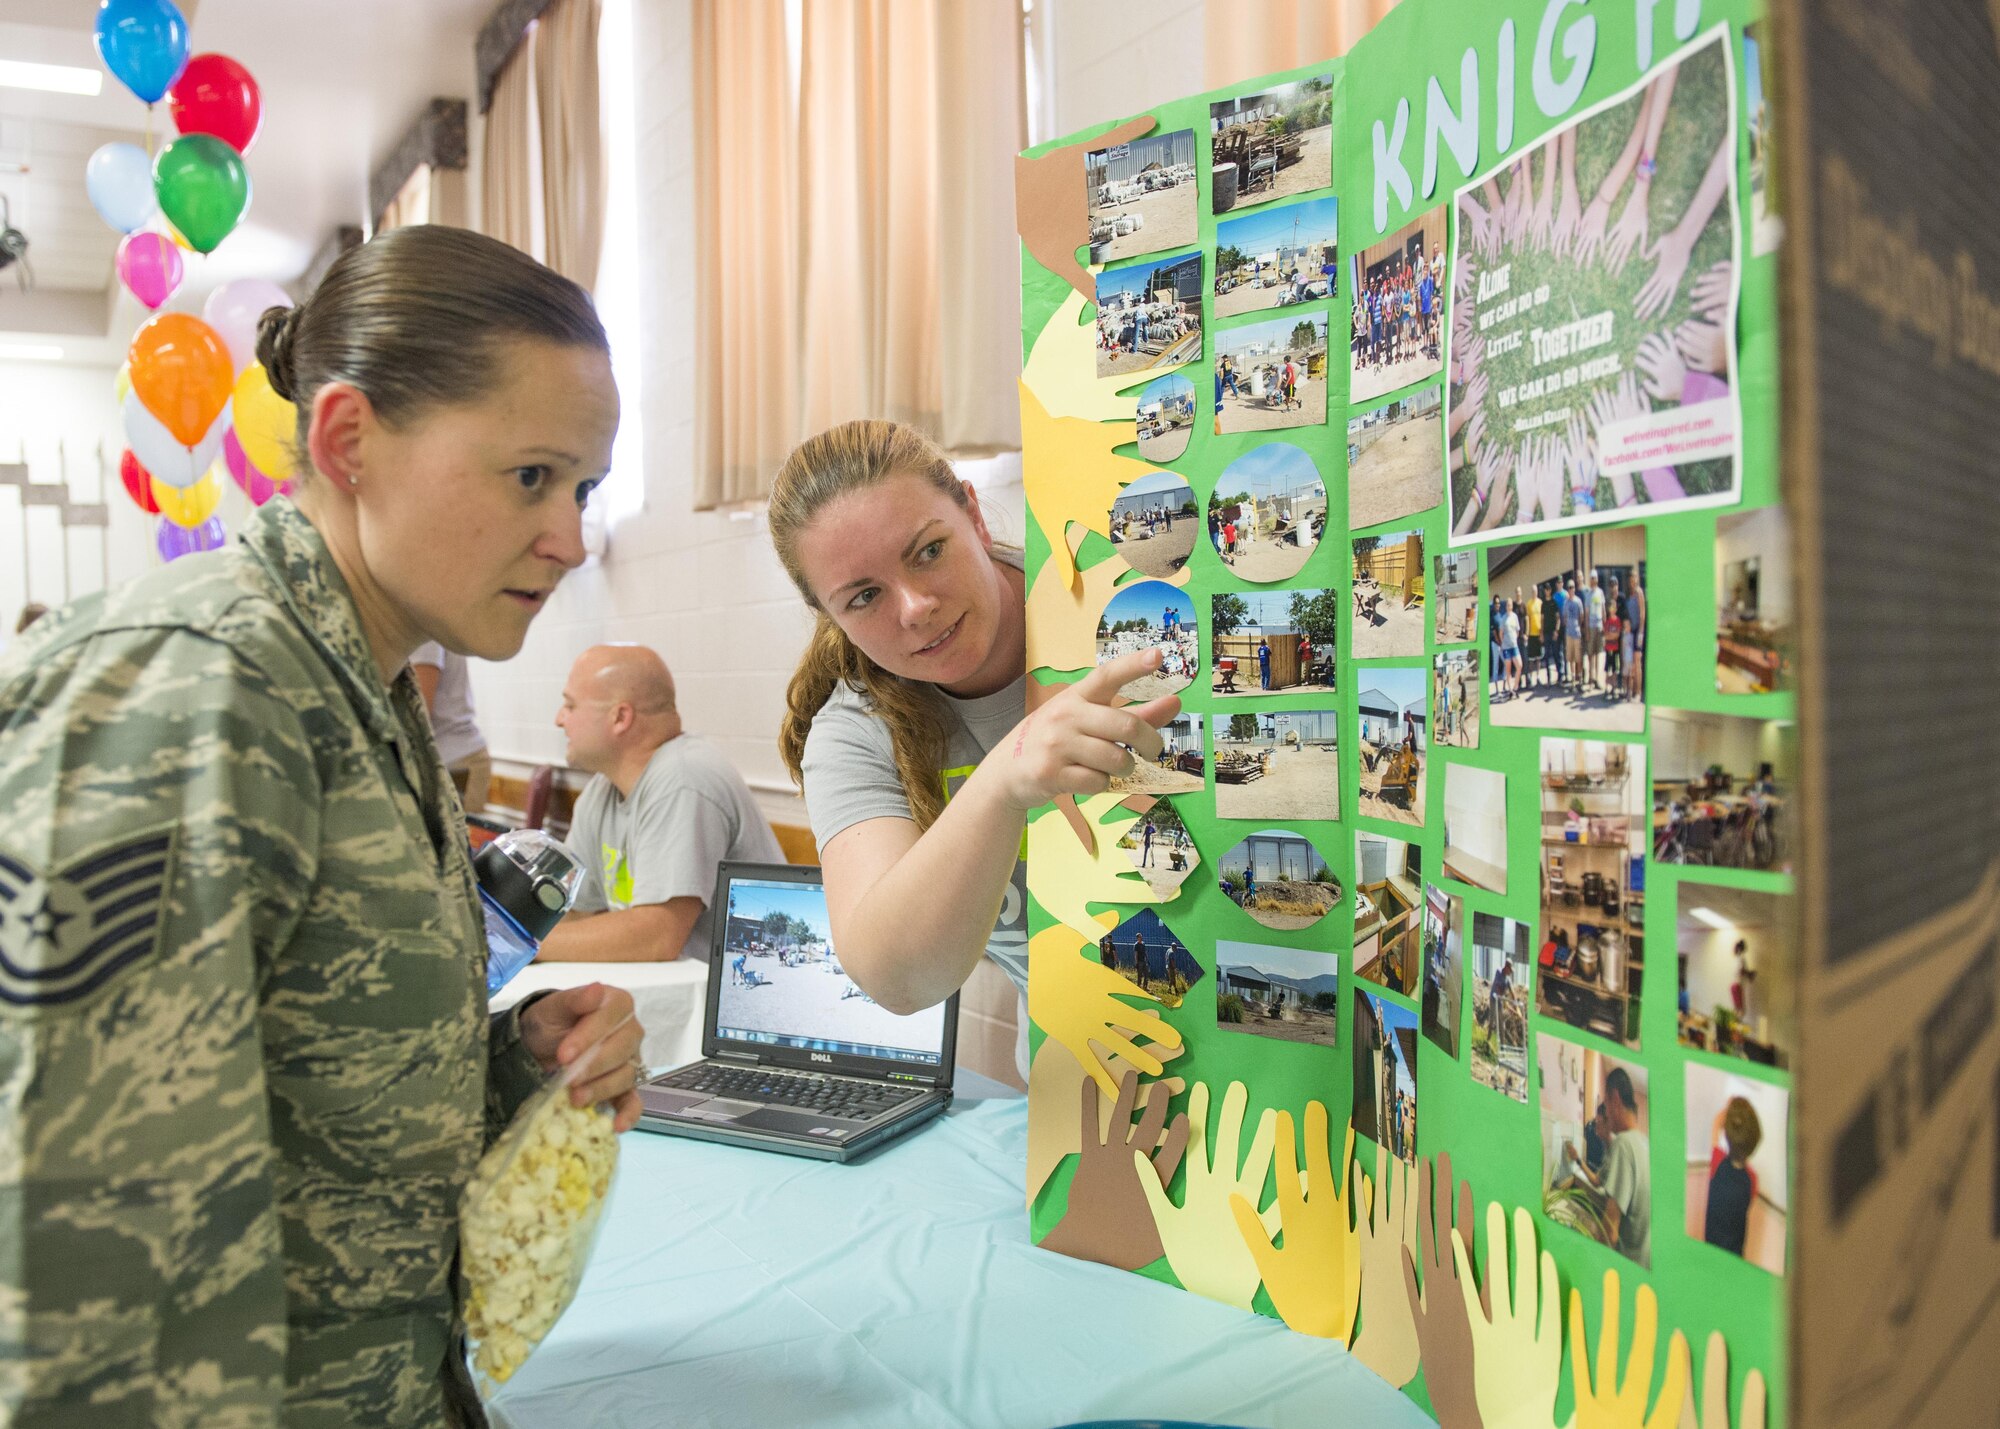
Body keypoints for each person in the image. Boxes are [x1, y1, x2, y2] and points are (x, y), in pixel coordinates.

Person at [0, 225, 644, 1425]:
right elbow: (84, 1248)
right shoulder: (200, 688)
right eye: (529, 477)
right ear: (350, 440)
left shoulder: (363, 690)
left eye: (584, 488)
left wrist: (512, 1065)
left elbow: (302, 1094)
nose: (568, 536)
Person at [771, 421, 1179, 1081]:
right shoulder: (856, 729)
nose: (915, 607)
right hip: (1079, 1091)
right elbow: (898, 977)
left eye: (929, 551)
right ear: (830, 614)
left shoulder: (1107, 596)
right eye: (865, 596)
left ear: (973, 514)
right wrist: (1003, 781)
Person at [539, 645, 783, 964]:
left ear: (620, 717)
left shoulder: (684, 780)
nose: (559, 720)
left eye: (570, 705)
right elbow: (575, 913)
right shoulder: (601, 790)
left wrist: (518, 947)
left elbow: (657, 937)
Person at [411, 640, 493, 811]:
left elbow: (419, 712)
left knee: (458, 836)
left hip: (458, 757)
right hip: (451, 756)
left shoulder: (425, 635)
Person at [1598, 1067, 1652, 1266]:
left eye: (1606, 1103)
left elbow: (1610, 1233)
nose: (1606, 1113)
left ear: (1615, 1098)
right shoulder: (1644, 1143)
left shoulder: (1623, 1143)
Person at [1704, 1097, 1762, 1257]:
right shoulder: (1753, 1179)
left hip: (1711, 1246)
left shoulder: (1717, 1162)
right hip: (1735, 1253)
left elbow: (1716, 1125)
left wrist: (1727, 1111)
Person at [1562, 576, 1585, 691]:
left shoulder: (1578, 601)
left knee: (1578, 658)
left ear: (1575, 589)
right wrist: (1568, 626)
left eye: (1572, 587)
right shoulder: (1566, 603)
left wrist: (1577, 626)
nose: (1571, 589)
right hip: (1568, 634)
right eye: (1569, 587)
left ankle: (1580, 680)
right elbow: (1564, 618)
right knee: (1570, 658)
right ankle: (1572, 682)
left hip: (1577, 633)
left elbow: (1581, 617)